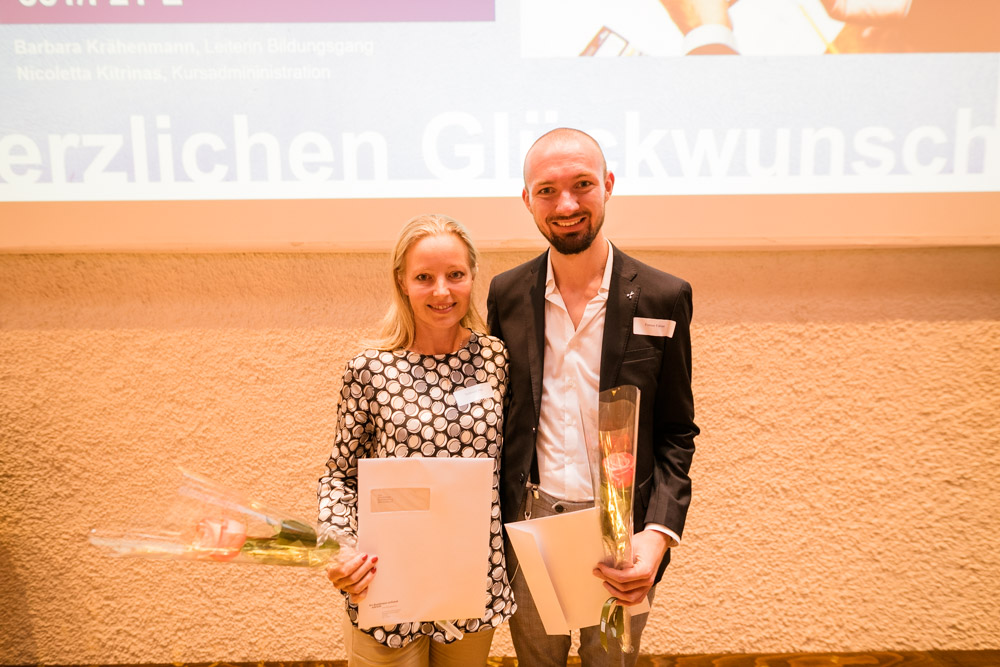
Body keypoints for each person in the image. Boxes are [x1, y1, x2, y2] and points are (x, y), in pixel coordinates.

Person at [487, 128, 698, 666]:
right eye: (547, 190)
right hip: (530, 525)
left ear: (608, 185)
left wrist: (658, 535)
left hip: (623, 533)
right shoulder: (506, 294)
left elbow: (676, 433)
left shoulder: (663, 296)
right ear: (527, 199)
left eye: (582, 184)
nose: (566, 205)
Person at [318, 214, 516, 667]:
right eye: (424, 277)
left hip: (470, 585)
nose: (442, 291)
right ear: (402, 282)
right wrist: (340, 548)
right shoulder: (370, 369)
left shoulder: (496, 360)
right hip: (388, 585)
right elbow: (339, 478)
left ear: (472, 277)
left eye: (455, 275)